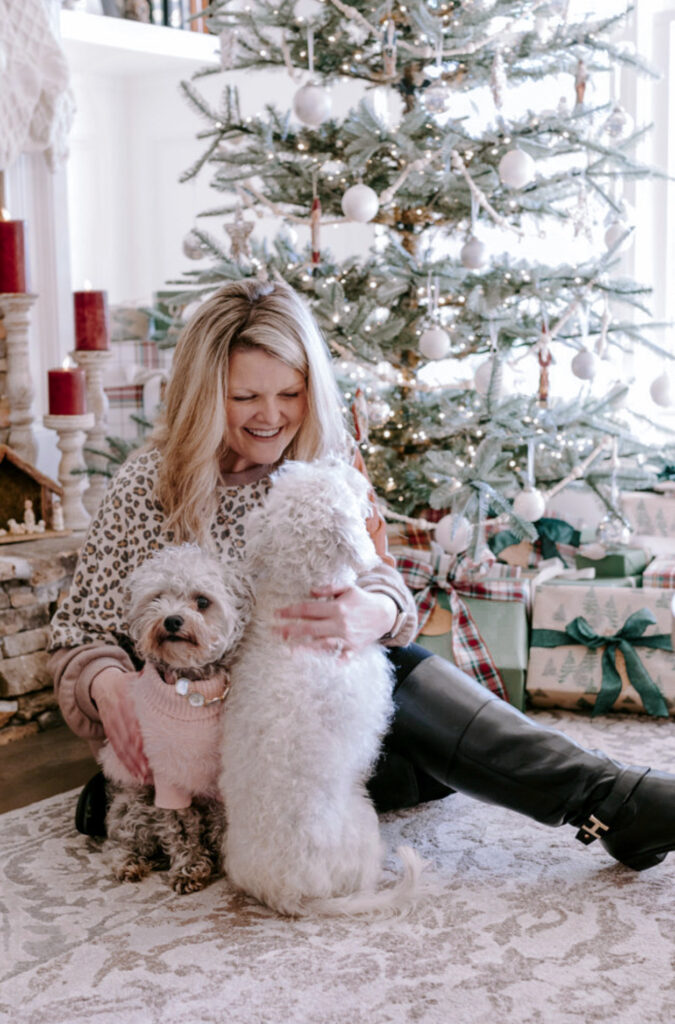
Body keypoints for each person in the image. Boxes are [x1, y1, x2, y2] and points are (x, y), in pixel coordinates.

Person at [49, 278, 675, 871]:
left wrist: (373, 611)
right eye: (245, 397)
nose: (271, 415)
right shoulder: (146, 484)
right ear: (203, 396)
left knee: (401, 678)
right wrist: (103, 682)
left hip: (306, 703)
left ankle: (616, 799)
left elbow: (380, 580)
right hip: (202, 724)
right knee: (434, 754)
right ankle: (172, 802)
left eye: (289, 393)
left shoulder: (323, 458)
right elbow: (79, 628)